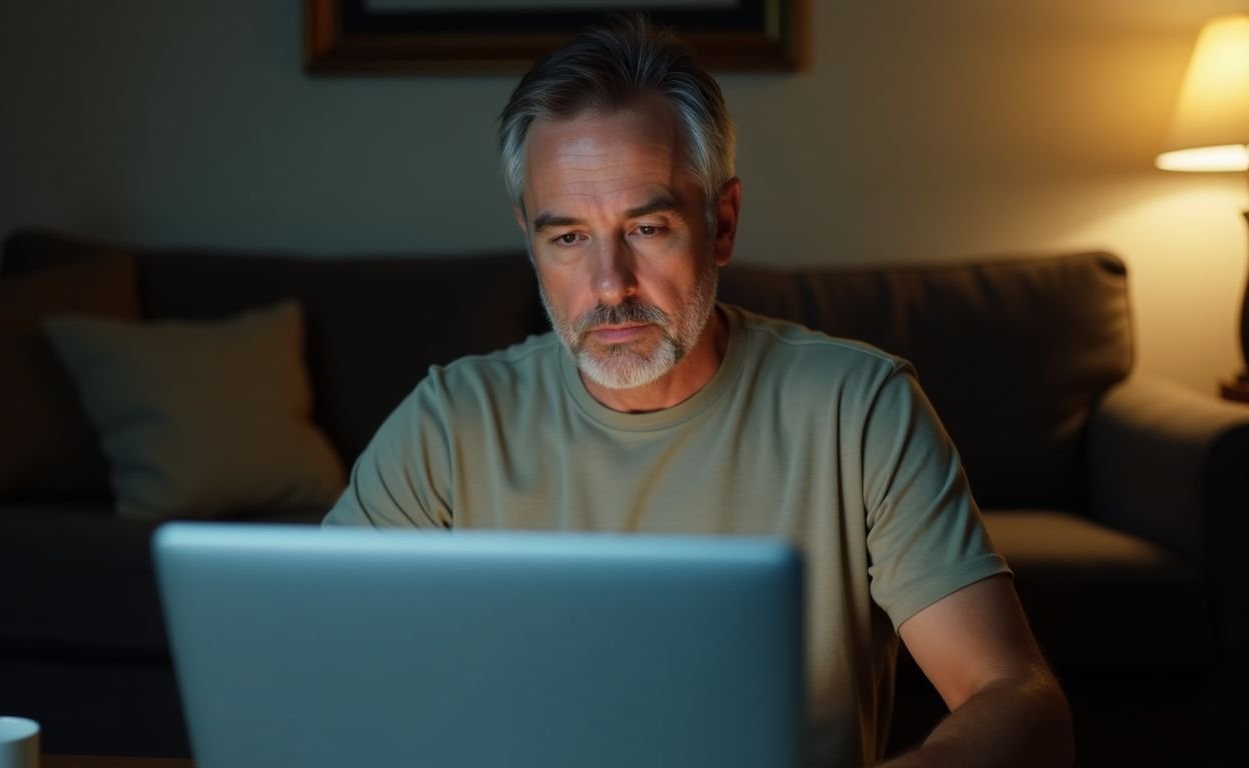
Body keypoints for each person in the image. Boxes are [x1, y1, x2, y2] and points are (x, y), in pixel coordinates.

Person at [324, 15, 1072, 768]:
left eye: (647, 228)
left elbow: (1016, 696)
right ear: (530, 237)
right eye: (568, 238)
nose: (610, 284)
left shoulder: (858, 407)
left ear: (721, 222)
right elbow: (309, 664)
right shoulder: (449, 424)